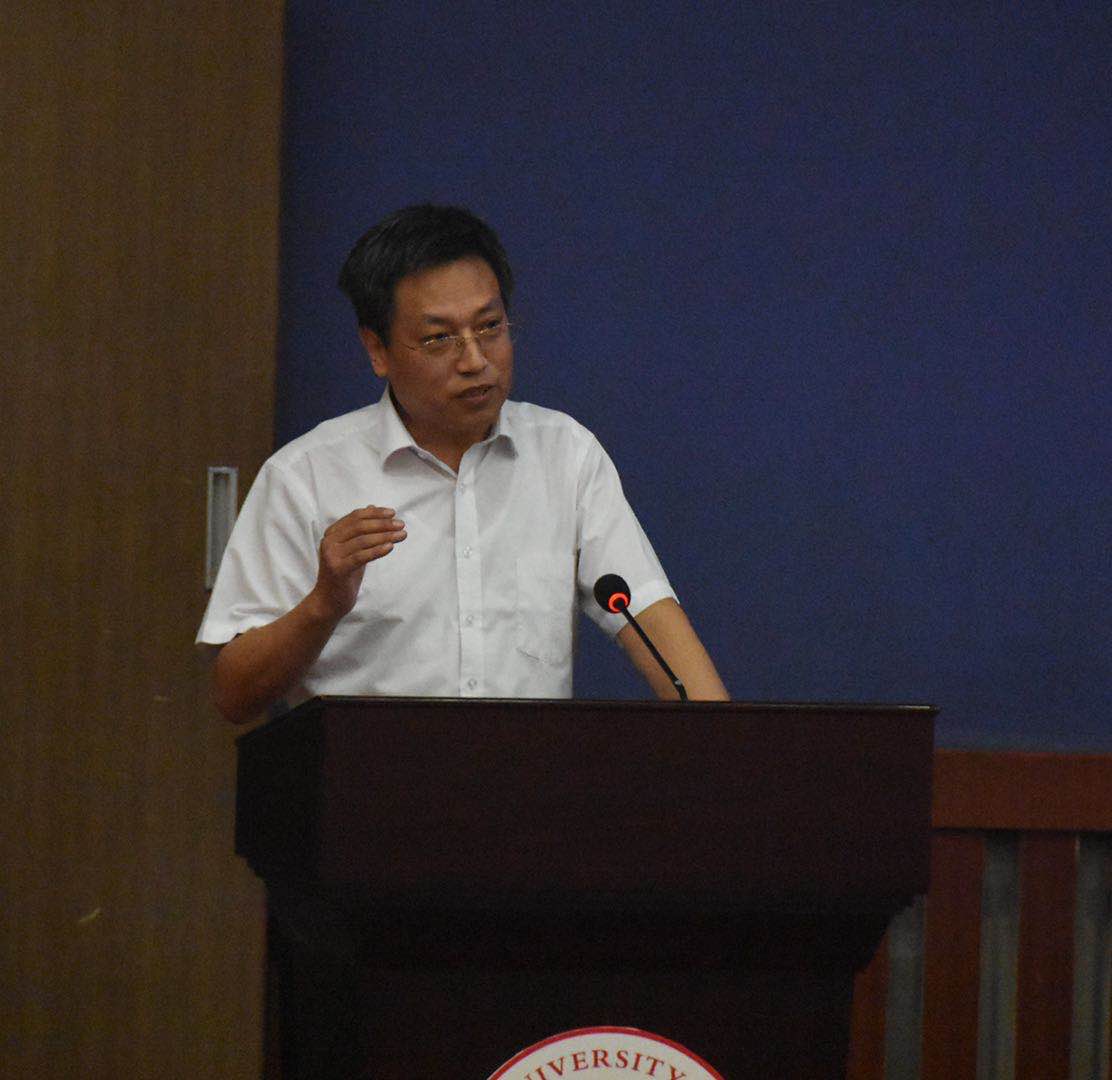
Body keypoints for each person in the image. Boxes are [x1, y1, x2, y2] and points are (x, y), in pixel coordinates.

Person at [198, 204, 727, 723]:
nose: (474, 360)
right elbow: (234, 696)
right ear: (377, 349)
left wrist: (729, 750)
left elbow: (653, 622)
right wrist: (323, 604)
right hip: (368, 778)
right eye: (439, 338)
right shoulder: (305, 476)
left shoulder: (565, 455)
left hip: (528, 777)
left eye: (489, 327)